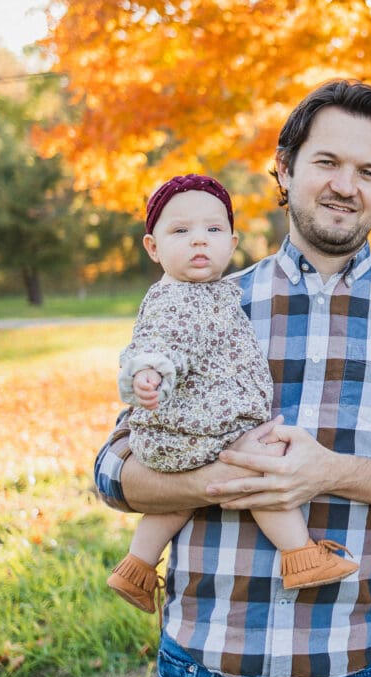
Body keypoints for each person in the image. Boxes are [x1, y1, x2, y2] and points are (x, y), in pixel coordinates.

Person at [93, 80, 371, 677]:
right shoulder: (209, 299)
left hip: (354, 659)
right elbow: (114, 472)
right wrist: (221, 479)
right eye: (327, 162)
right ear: (284, 168)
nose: (344, 185)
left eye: (367, 171)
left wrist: (330, 472)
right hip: (206, 658)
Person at [106, 173, 357, 616]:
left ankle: (136, 567)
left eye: (213, 230)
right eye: (181, 232)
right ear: (153, 247)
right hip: (194, 429)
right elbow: (160, 342)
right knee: (263, 463)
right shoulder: (177, 299)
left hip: (180, 434)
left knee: (178, 502)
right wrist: (149, 373)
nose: (198, 241)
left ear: (232, 241)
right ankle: (299, 555)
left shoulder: (211, 292)